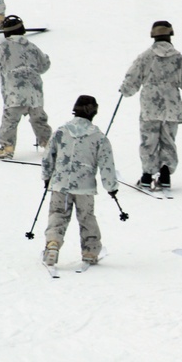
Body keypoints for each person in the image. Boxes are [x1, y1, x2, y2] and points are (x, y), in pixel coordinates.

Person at [41, 95, 119, 267]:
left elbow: (48, 156)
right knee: (86, 217)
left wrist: (47, 177)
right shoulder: (98, 136)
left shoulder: (61, 131)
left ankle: (53, 243)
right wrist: (111, 187)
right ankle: (90, 251)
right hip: (85, 187)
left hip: (60, 184)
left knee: (58, 214)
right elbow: (107, 164)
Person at [119, 20, 182, 189]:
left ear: (153, 36)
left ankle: (147, 176)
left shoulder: (145, 57)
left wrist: (124, 90)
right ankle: (165, 174)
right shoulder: (179, 58)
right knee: (168, 139)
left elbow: (131, 82)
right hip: (172, 107)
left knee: (149, 140)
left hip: (150, 106)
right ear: (170, 35)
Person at [0, 15, 52, 160]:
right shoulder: (32, 46)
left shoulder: (4, 47)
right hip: (35, 92)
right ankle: (48, 144)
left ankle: (7, 147)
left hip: (15, 92)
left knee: (10, 120)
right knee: (39, 119)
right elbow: (44, 66)